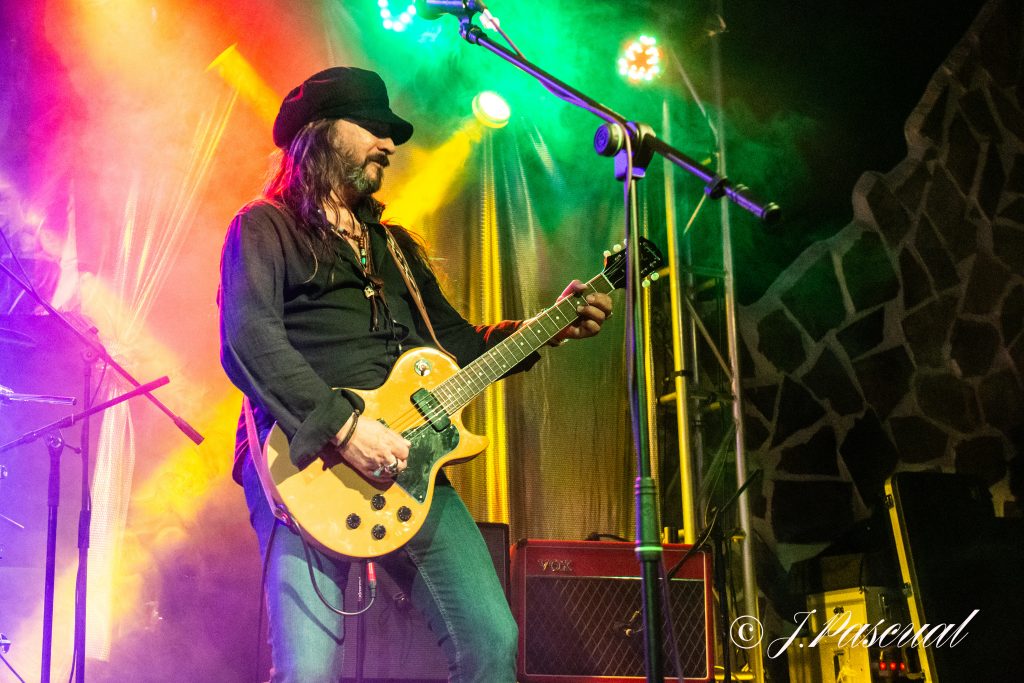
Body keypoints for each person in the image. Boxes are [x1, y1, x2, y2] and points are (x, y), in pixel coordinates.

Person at [218, 66, 613, 683]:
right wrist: (346, 430)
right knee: (308, 671)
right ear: (319, 133)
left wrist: (547, 326)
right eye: (373, 128)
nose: (389, 144)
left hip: (410, 466)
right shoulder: (265, 226)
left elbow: (458, 347)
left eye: (391, 133)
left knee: (490, 639)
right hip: (303, 463)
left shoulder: (395, 246)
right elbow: (249, 339)